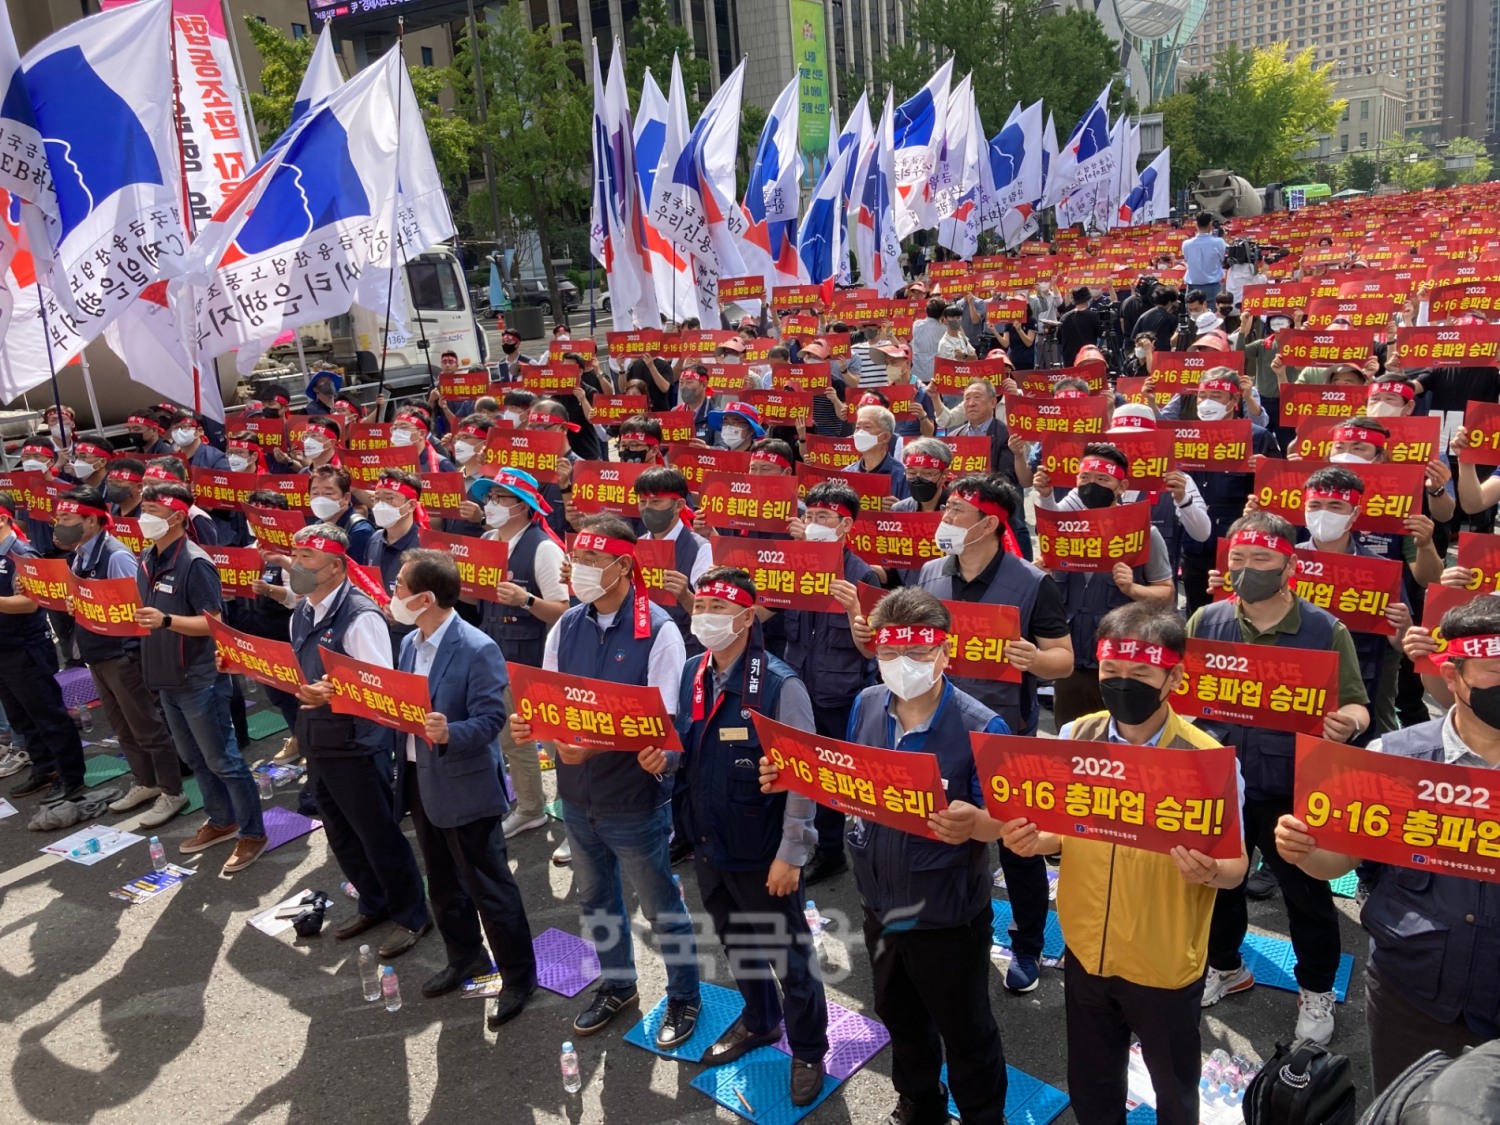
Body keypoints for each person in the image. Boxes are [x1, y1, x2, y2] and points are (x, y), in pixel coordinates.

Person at [765, 587, 1012, 1125]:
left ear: (946, 651)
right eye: (890, 652)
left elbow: (1013, 823)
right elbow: (847, 783)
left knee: (966, 1029)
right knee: (899, 1016)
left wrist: (978, 824)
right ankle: (919, 1105)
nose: (903, 666)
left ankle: (982, 1115)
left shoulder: (983, 728)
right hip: (879, 903)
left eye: (919, 653)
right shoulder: (866, 704)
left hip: (947, 913)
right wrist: (790, 773)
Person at [1003, 603, 1248, 1125]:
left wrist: (1211, 871)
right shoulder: (1077, 737)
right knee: (1092, 1086)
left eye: (1140, 674)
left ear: (1173, 677)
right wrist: (1036, 841)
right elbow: (1062, 832)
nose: (1122, 684)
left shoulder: (1206, 760)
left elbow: (1236, 868)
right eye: (1112, 672)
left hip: (1163, 962)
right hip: (1086, 950)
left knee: (1175, 1091)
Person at [1277, 596, 1500, 1089]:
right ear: (1454, 675)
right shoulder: (1391, 758)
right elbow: (1339, 861)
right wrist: (1305, 851)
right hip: (1411, 991)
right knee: (1402, 1105)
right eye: (1494, 668)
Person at [508, 516, 701, 1047]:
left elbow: (660, 718)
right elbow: (546, 700)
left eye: (593, 561)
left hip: (632, 797)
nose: (579, 570)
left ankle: (685, 993)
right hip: (575, 792)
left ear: (623, 567)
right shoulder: (565, 625)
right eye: (578, 558)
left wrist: (594, 744)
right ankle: (618, 983)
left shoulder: (657, 630)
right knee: (595, 899)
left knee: (661, 902)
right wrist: (536, 728)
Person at [1186, 511, 1370, 1045]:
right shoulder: (1206, 621)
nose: (1247, 570)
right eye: (1238, 559)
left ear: (1290, 564)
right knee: (1218, 884)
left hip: (1296, 788)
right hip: (1224, 781)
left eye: (1261, 559)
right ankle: (1225, 966)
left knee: (1307, 897)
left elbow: (1356, 702)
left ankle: (1316, 991)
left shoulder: (1324, 629)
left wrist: (1348, 724)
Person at [669, 567, 828, 1105]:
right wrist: (660, 757)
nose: (705, 618)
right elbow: (683, 746)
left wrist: (792, 853)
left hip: (764, 850)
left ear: (744, 616)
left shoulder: (780, 686)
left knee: (789, 955)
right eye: (700, 607)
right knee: (738, 943)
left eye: (717, 609)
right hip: (711, 842)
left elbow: (804, 778)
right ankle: (760, 1020)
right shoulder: (693, 672)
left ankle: (808, 1047)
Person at [391, 551, 537, 1027]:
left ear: (426, 598)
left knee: (488, 885)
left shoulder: (477, 647)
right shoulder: (411, 642)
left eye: (400, 587)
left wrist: (451, 731)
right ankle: (465, 957)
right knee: (443, 882)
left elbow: (493, 719)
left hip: (464, 784)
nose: (393, 595)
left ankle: (518, 977)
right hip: (420, 778)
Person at [286, 523, 432, 957]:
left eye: (306, 558)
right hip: (318, 738)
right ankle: (375, 901)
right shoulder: (303, 610)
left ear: (334, 567)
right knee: (340, 832)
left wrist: (331, 691)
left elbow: (380, 688)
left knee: (377, 833)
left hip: (355, 743)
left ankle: (412, 914)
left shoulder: (359, 615)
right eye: (295, 554)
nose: (296, 564)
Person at [132, 482, 267, 875]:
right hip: (165, 676)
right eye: (145, 508)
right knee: (194, 757)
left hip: (198, 678)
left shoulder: (195, 562)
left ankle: (253, 832)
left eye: (154, 510)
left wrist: (168, 620)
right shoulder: (146, 557)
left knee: (222, 759)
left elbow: (215, 623)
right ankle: (221, 819)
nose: (145, 517)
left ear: (177, 517)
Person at [53, 486, 188, 826]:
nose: (60, 523)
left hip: (121, 655)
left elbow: (137, 608)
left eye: (67, 518)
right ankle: (145, 781)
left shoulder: (115, 556)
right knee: (121, 726)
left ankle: (172, 790)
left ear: (92, 521)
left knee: (146, 725)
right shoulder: (80, 555)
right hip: (95, 653)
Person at [1035, 444, 1176, 727]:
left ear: (1121, 485)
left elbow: (1166, 593)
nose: (1091, 486)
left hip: (1123, 664)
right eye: (1085, 478)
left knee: (1125, 743)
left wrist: (1133, 589)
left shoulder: (1144, 532)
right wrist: (1039, 573)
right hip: (1072, 664)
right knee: (1072, 744)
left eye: (1102, 480)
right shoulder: (1061, 531)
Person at [781, 480, 880, 884]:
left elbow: (875, 645)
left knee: (835, 776)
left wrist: (856, 606)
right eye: (810, 515)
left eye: (825, 517)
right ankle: (801, 842)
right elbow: (768, 614)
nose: (814, 523)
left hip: (840, 693)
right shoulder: (793, 564)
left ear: (845, 527)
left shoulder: (864, 574)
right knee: (799, 768)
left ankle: (832, 850)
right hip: (798, 686)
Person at [470, 469, 570, 841]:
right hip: (494, 654)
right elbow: (473, 599)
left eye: (501, 498)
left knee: (552, 740)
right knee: (513, 738)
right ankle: (530, 807)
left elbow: (564, 609)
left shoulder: (543, 547)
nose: (491, 505)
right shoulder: (487, 540)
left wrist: (526, 600)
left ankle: (573, 811)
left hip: (532, 659)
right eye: (490, 497)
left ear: (524, 507)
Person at [0, 492, 88, 806]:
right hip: (4, 648)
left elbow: (30, 603)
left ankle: (71, 776)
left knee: (47, 714)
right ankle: (45, 767)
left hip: (25, 647)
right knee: (21, 717)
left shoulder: (21, 553)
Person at [307, 464, 376, 563]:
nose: (320, 499)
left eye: (328, 493)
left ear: (346, 498)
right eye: (315, 494)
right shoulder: (315, 527)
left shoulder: (360, 531)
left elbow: (359, 575)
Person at [846, 403, 911, 503]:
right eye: (858, 427)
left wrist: (898, 509)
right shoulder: (847, 473)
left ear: (885, 437)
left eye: (867, 427)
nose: (860, 433)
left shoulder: (902, 476)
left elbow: (911, 514)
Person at [1182, 211, 1227, 307]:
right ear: (1210, 225)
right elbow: (1223, 259)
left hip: (1193, 286)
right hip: (1212, 287)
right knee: (1213, 319)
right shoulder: (1219, 242)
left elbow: (1186, 259)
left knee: (1193, 318)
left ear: (1196, 225)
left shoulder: (1186, 244)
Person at [1057, 286, 1102, 365]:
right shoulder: (1093, 316)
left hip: (1069, 360)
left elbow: (1059, 339)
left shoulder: (1064, 317)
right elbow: (1102, 334)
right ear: (1088, 300)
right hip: (1087, 359)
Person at [909, 297, 947, 385]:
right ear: (942, 314)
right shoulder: (944, 329)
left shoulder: (917, 324)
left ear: (926, 310)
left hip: (916, 370)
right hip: (933, 372)